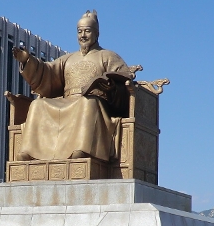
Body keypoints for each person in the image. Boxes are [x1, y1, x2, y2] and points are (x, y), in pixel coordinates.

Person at [12, 10, 132, 162]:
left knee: (87, 102)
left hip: (96, 102)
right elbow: (48, 72)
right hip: (67, 99)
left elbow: (124, 81)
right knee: (38, 104)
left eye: (87, 31)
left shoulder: (109, 56)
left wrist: (111, 86)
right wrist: (27, 61)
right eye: (79, 31)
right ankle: (29, 151)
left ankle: (81, 150)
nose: (83, 35)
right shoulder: (68, 58)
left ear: (96, 33)